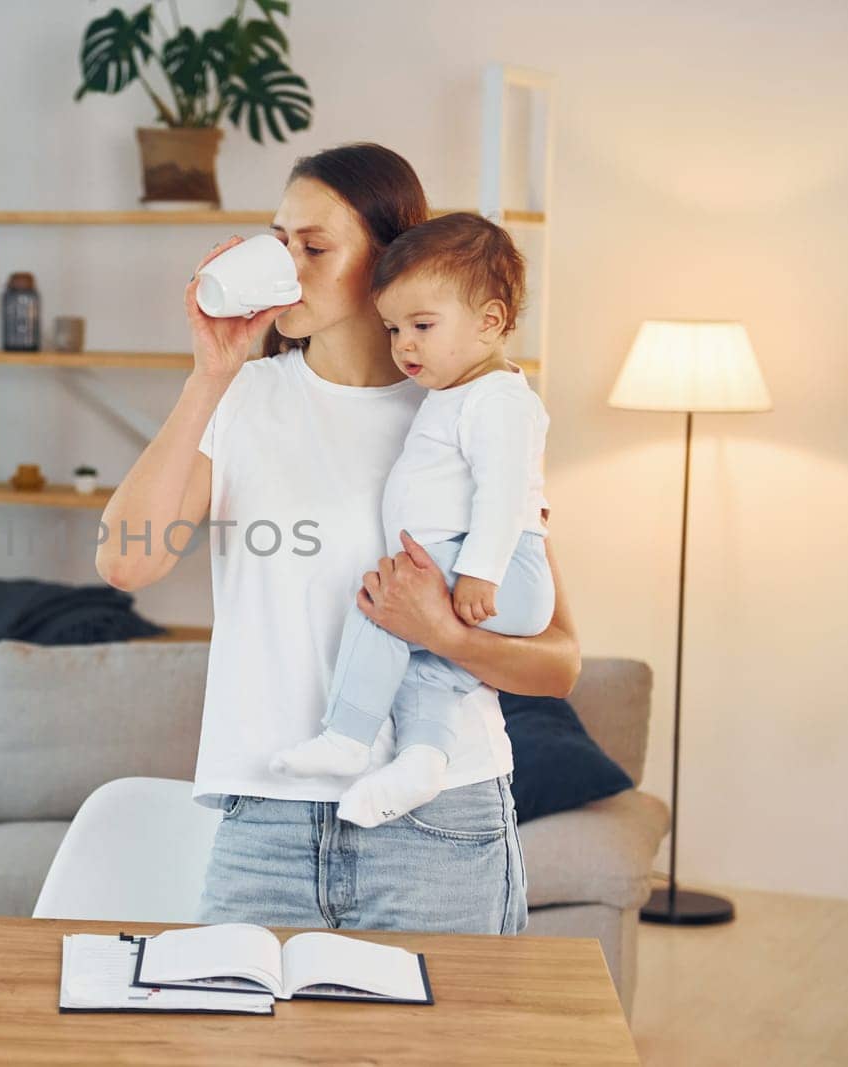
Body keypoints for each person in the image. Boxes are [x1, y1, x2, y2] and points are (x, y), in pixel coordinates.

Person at [95, 143, 580, 934]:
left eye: (314, 247)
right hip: (264, 828)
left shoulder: (471, 410)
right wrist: (209, 374)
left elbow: (558, 662)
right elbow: (126, 559)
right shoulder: (245, 398)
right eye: (279, 240)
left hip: (438, 826)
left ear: (390, 261)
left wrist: (441, 631)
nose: (288, 264)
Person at [269, 211, 557, 831]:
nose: (405, 345)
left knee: (385, 601)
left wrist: (480, 573)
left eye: (423, 325)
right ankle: (423, 760)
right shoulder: (457, 394)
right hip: (473, 561)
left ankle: (348, 733)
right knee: (427, 670)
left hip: (498, 568)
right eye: (395, 328)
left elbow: (505, 494)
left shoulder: (498, 399)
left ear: (491, 322)